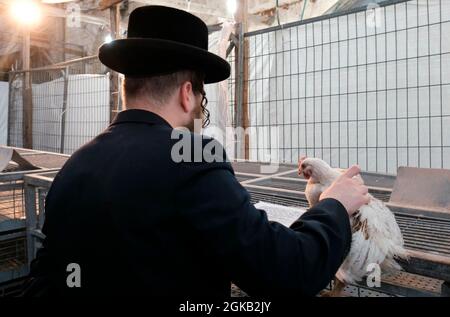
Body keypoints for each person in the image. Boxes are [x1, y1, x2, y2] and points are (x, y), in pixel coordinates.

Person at [21, 6, 369, 297]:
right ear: (188, 94)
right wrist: (334, 205)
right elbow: (286, 271)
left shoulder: (77, 163)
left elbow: (50, 273)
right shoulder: (192, 157)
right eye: (201, 103)